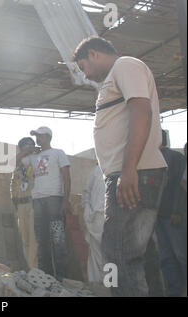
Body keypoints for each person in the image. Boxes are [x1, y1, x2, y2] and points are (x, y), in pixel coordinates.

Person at [73, 36, 168, 296]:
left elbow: (140, 110)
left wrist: (128, 170)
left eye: (84, 67)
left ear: (94, 54)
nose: (85, 75)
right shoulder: (117, 76)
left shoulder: (125, 66)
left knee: (117, 253)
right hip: (131, 173)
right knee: (140, 254)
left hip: (132, 174)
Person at [21, 126, 72, 279]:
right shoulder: (33, 156)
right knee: (41, 240)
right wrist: (27, 151)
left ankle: (62, 277)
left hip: (54, 199)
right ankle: (45, 276)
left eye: (40, 136)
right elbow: (15, 162)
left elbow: (66, 177)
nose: (37, 139)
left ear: (48, 137)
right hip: (38, 201)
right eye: (36, 136)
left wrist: (66, 200)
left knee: (58, 238)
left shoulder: (58, 153)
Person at [155, 130, 187, 296]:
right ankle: (175, 290)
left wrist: (177, 211)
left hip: (173, 215)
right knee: (166, 256)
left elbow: (181, 188)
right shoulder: (152, 159)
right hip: (158, 215)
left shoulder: (175, 158)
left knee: (181, 253)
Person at [10, 137, 38, 269]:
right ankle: (30, 267)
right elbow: (13, 188)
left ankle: (35, 269)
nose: (29, 149)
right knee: (25, 239)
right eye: (26, 146)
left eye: (31, 146)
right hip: (21, 206)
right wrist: (16, 207)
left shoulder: (37, 162)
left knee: (34, 240)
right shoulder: (18, 168)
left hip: (33, 204)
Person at [82, 164, 106, 283]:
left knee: (111, 255)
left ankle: (111, 287)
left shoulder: (118, 167)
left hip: (110, 219)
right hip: (94, 219)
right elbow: (86, 192)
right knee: (95, 256)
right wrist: (87, 211)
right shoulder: (95, 171)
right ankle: (96, 287)